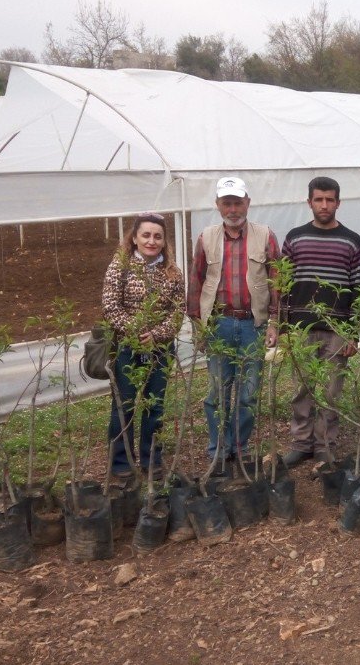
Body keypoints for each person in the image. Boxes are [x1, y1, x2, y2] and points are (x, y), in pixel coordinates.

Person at [187, 176, 280, 464]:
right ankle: (217, 450)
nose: (233, 209)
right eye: (227, 203)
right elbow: (196, 283)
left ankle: (240, 448)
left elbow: (278, 281)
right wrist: (198, 327)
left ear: (248, 203)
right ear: (217, 205)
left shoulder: (266, 236)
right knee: (217, 392)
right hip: (219, 325)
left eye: (238, 202)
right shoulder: (206, 238)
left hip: (254, 325)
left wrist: (275, 322)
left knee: (248, 394)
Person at [281, 177, 360, 467]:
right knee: (300, 388)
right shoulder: (295, 238)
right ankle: (302, 442)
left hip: (337, 329)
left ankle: (325, 444)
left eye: (330, 200)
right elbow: (284, 284)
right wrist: (284, 327)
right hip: (301, 328)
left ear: (338, 203)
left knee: (332, 390)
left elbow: (358, 289)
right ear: (309, 202)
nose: (324, 205)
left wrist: (354, 333)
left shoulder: (351, 240)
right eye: (319, 199)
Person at [102, 212, 185, 478]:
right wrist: (136, 331)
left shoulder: (172, 273)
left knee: (154, 405)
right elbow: (110, 306)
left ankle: (152, 461)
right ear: (135, 238)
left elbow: (177, 312)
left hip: (159, 350)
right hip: (127, 347)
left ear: (164, 241)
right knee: (123, 404)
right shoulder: (120, 266)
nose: (151, 241)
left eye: (157, 236)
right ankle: (121, 463)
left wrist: (158, 334)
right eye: (146, 235)